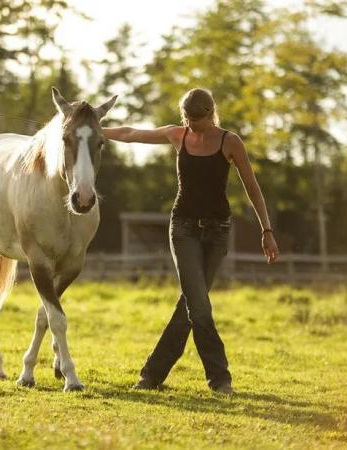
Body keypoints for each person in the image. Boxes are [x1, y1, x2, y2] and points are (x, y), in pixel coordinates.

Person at [103, 88, 279, 395]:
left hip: (217, 232)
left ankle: (151, 375)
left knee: (191, 304)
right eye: (187, 118)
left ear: (211, 113)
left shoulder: (230, 141)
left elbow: (252, 187)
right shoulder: (177, 136)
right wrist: (95, 128)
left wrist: (267, 231)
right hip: (183, 229)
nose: (191, 124)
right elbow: (132, 133)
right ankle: (220, 379)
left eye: (196, 119)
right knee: (198, 307)